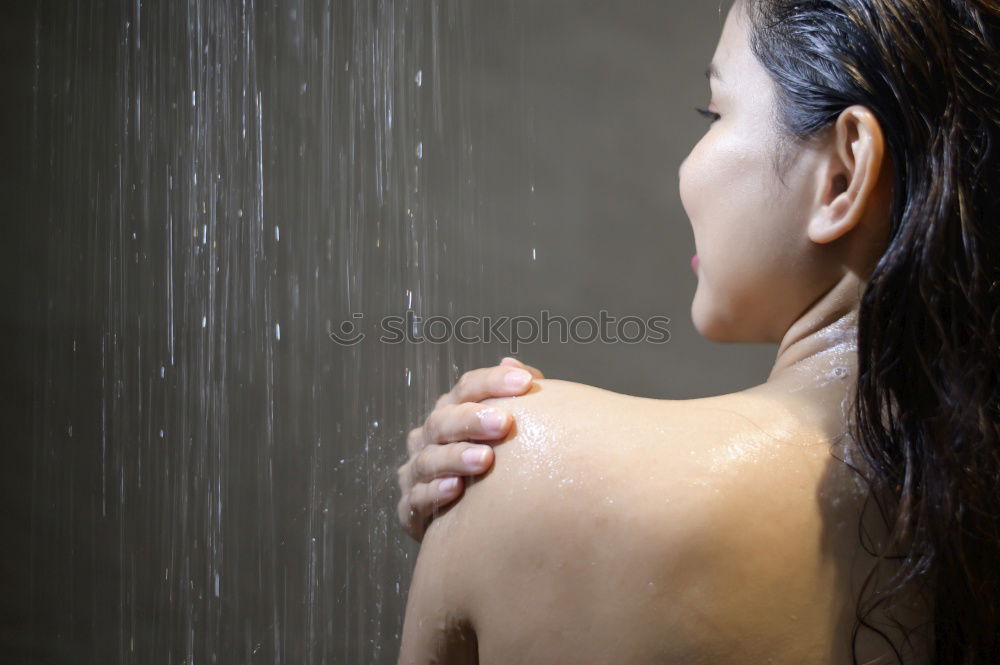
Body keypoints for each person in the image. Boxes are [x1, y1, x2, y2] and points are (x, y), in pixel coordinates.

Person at [395, 0, 1000, 662]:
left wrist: (472, 513)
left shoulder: (530, 468)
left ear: (842, 173)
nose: (686, 168)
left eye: (714, 113)